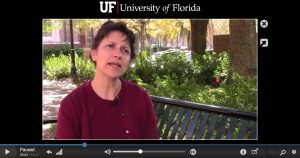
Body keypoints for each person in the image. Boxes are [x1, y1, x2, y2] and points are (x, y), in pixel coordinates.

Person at [55, 21, 159, 139]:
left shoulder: (141, 99)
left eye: (125, 50)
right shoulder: (72, 105)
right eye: (110, 46)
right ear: (94, 53)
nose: (118, 54)